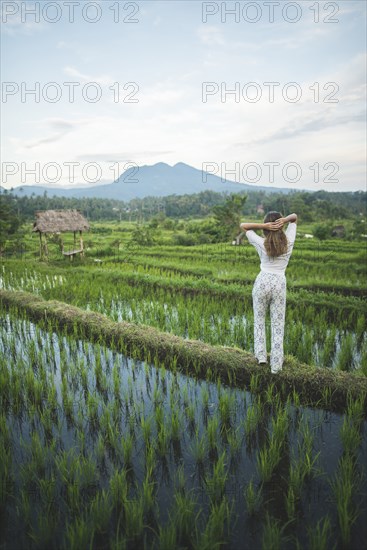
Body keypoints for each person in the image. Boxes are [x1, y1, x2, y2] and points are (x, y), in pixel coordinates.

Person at [239, 212, 298, 374]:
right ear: (282, 226)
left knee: (259, 320)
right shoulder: (289, 242)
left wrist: (263, 226)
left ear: (267, 227)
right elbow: (294, 217)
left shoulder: (261, 242)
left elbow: (243, 226)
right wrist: (285, 220)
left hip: (262, 282)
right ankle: (276, 366)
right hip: (279, 283)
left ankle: (261, 357)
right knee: (278, 325)